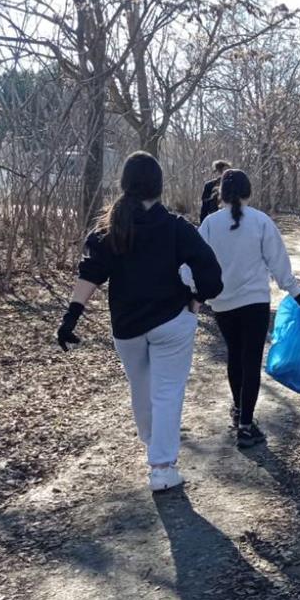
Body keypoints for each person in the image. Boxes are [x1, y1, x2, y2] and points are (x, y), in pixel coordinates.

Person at [56, 151, 223, 492]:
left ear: (125, 185)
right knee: (167, 392)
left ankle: (153, 446)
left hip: (127, 325)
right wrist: (196, 300)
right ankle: (161, 467)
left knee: (142, 388)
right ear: (159, 187)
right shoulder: (178, 228)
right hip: (172, 321)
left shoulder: (108, 228)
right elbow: (212, 273)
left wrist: (70, 317)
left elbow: (90, 274)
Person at [192, 169, 300, 449]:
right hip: (255, 303)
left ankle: (239, 411)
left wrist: (193, 296)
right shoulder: (261, 221)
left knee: (234, 357)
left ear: (220, 195)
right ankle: (246, 426)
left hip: (222, 303)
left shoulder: (210, 224)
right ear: (248, 192)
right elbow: (279, 264)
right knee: (251, 361)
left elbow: (195, 263)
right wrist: (299, 296)